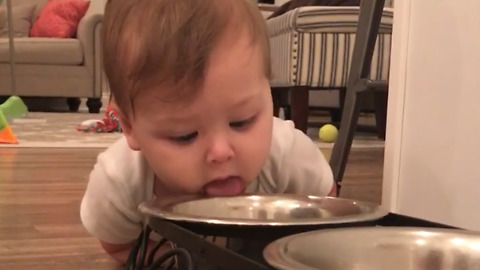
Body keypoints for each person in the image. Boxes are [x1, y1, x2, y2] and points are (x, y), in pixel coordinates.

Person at [80, 0, 335, 264]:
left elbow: (328, 206)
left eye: (242, 121)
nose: (221, 152)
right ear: (129, 127)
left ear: (269, 93)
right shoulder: (119, 182)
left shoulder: (288, 155)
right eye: (184, 135)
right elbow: (117, 244)